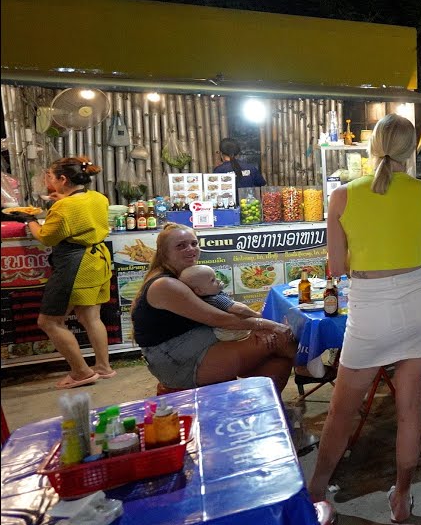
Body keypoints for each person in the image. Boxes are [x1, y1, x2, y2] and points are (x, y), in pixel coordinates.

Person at [306, 114, 421, 522]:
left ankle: (316, 491)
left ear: (372, 149)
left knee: (341, 411)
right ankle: (401, 497)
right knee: (410, 410)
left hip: (370, 306)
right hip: (420, 300)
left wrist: (374, 255)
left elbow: (335, 266)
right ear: (411, 150)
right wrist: (407, 256)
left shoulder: (343, 196)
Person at [133, 223, 295, 392]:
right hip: (178, 362)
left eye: (194, 243)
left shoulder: (189, 273)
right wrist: (268, 325)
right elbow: (220, 319)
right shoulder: (165, 284)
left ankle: (257, 410)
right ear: (164, 253)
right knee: (281, 340)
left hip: (201, 343)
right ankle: (311, 368)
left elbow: (227, 309)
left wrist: (257, 327)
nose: (190, 249)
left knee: (278, 362)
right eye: (181, 246)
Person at [16, 157, 115, 389]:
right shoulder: (98, 197)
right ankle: (103, 368)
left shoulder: (63, 207)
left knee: (49, 321)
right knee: (91, 317)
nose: (48, 181)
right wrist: (63, 200)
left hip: (75, 265)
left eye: (50, 177)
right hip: (97, 261)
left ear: (63, 179)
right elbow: (81, 211)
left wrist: (29, 219)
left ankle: (81, 372)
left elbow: (46, 237)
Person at [178, 265, 256, 341]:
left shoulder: (205, 298)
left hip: (220, 333)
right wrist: (256, 315)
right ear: (199, 291)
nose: (218, 280)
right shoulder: (216, 299)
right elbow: (240, 309)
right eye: (213, 280)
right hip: (231, 332)